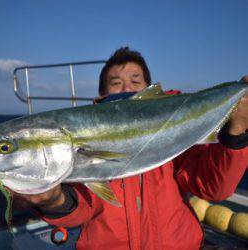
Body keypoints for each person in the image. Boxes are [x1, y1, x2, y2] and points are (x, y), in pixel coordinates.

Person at [14, 47, 248, 250]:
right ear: (101, 96)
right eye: (116, 83)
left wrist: (236, 134)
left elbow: (214, 189)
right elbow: (83, 208)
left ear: (152, 92)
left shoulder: (176, 133)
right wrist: (54, 201)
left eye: (136, 81)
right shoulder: (81, 136)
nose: (127, 87)